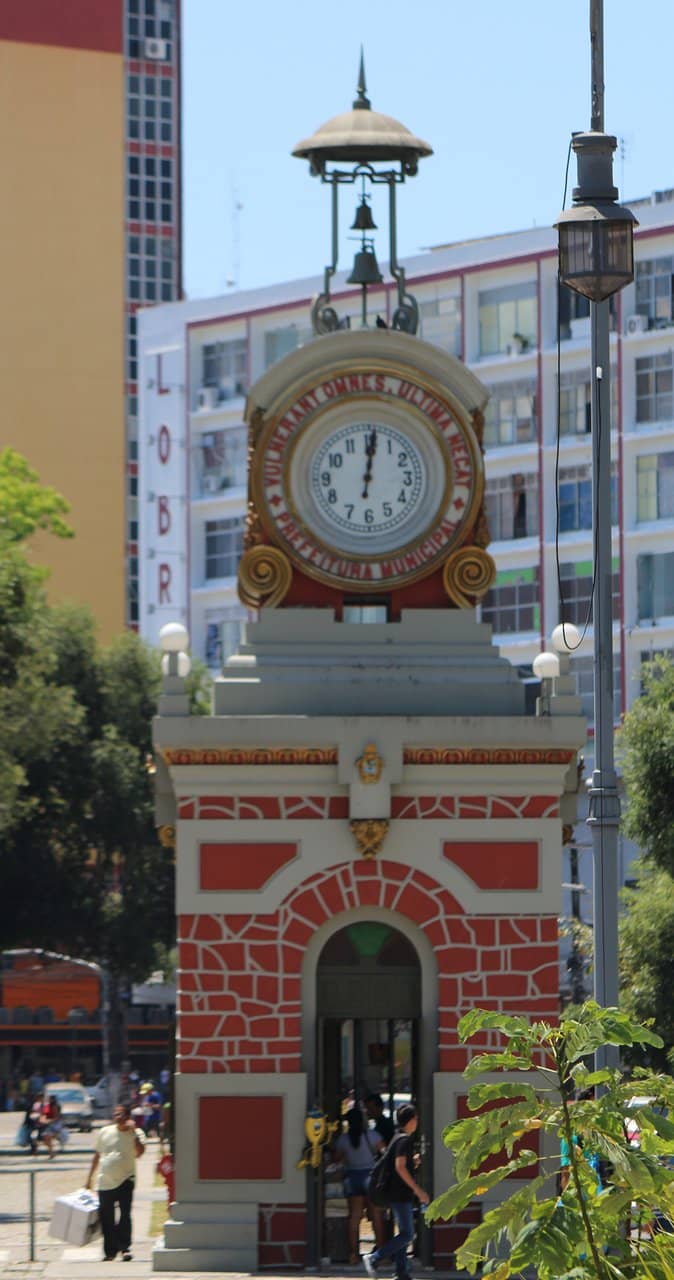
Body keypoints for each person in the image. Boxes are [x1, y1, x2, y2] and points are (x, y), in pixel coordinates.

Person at [363, 1103, 429, 1280]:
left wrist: (412, 1162)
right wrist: (418, 1190)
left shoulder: (398, 1138)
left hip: (399, 1193)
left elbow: (401, 1163)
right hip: (400, 1194)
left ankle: (402, 1272)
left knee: (403, 1233)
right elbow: (399, 1167)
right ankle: (374, 1258)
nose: (417, 1122)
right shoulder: (404, 1140)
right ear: (411, 1120)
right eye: (416, 1118)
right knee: (408, 1234)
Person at [86, 1103, 146, 1262]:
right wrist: (89, 1179)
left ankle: (125, 1248)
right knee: (107, 1218)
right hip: (105, 1181)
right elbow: (97, 1155)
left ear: (128, 1117)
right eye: (116, 1114)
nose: (118, 1117)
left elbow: (139, 1153)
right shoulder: (105, 1131)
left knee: (125, 1215)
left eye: (121, 1115)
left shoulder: (136, 1133)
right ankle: (110, 1252)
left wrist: (134, 1134)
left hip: (126, 1179)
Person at [335, 1106, 384, 1265]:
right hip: (370, 1176)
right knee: (376, 1215)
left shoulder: (343, 1139)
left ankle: (354, 1254)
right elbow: (385, 1153)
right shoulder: (372, 1135)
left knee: (354, 1217)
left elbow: (336, 1159)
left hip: (352, 1177)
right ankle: (381, 1252)